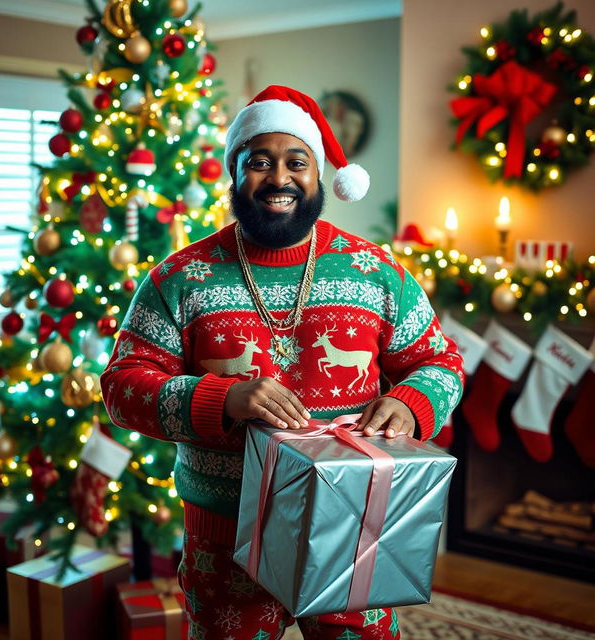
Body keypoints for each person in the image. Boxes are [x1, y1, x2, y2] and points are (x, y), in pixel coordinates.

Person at [101, 85, 464, 640]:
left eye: (297, 162)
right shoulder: (178, 278)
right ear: (234, 173)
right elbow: (122, 387)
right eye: (259, 162)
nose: (279, 179)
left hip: (355, 526)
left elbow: (439, 361)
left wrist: (410, 404)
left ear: (319, 177)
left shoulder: (375, 271)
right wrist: (221, 399)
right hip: (226, 536)